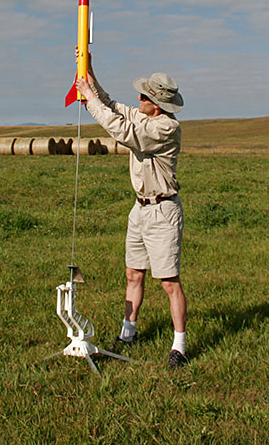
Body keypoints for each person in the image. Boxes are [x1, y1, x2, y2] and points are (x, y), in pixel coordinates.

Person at [74, 59, 188, 369]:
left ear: (158, 104)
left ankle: (179, 346)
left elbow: (121, 130)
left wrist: (90, 98)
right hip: (139, 209)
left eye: (144, 97)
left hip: (163, 211)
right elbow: (111, 105)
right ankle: (128, 333)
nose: (138, 100)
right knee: (133, 274)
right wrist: (90, 72)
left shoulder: (166, 127)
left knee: (168, 282)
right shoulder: (144, 116)